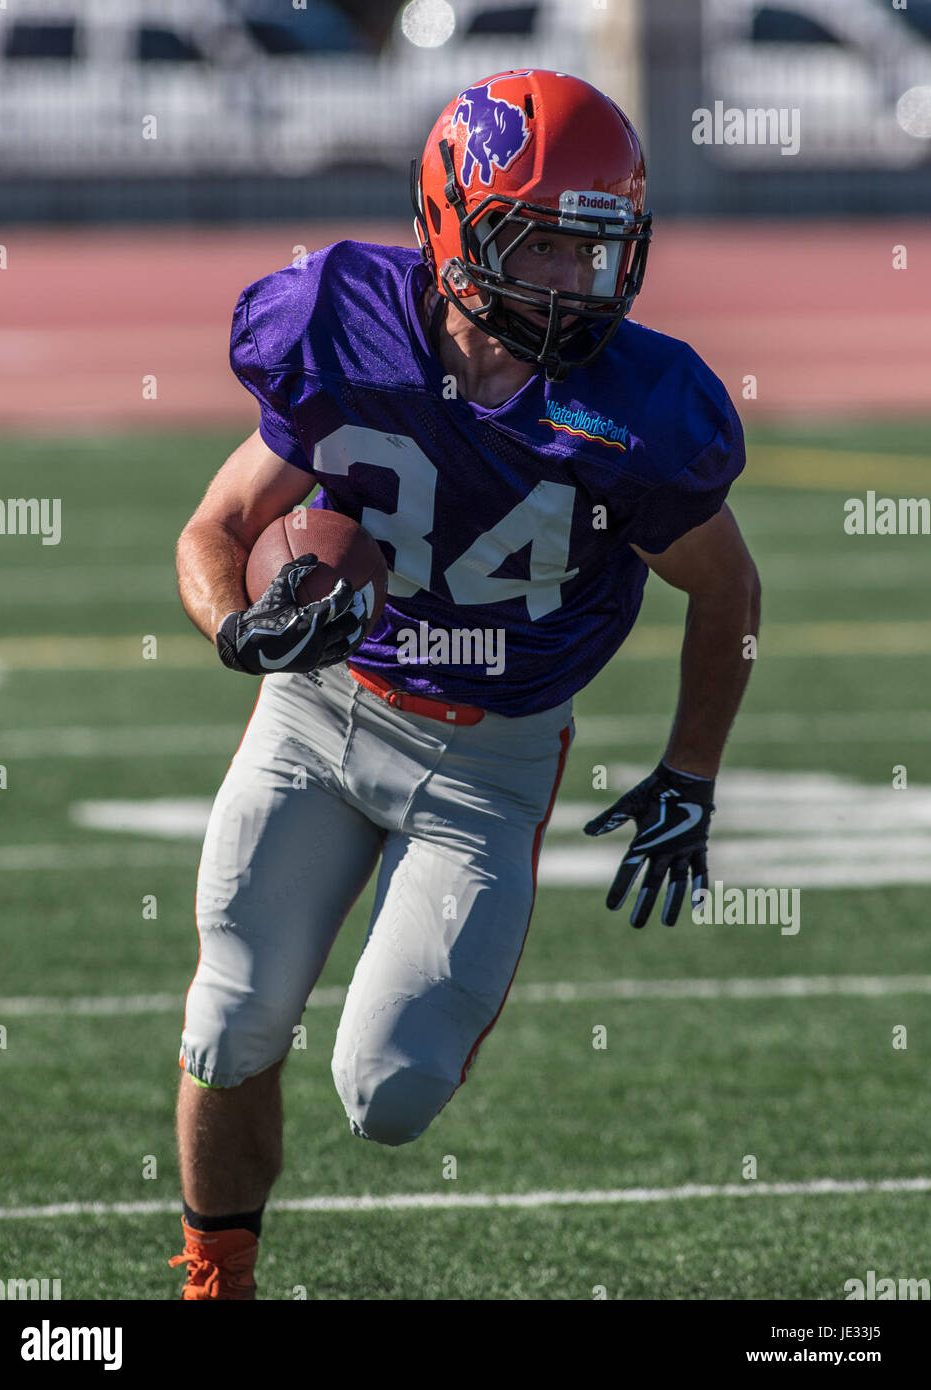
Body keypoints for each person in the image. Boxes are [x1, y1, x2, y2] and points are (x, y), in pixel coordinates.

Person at [169, 69, 761, 1299]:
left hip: (488, 762)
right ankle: (215, 1280)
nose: (573, 280)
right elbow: (218, 525)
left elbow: (727, 587)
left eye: (596, 250)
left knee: (388, 1096)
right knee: (229, 1020)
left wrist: (691, 771)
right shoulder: (343, 319)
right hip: (323, 710)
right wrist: (240, 636)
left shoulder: (642, 408)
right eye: (539, 245)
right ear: (454, 228)